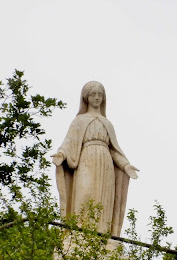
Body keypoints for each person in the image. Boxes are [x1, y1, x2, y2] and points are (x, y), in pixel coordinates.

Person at [52, 81, 138, 236]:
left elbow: (114, 150)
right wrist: (61, 154)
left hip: (106, 164)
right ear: (86, 97)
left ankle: (102, 234)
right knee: (85, 193)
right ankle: (80, 232)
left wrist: (126, 165)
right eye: (93, 94)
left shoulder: (107, 123)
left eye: (100, 95)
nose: (97, 98)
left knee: (103, 200)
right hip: (86, 161)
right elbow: (69, 142)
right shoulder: (79, 120)